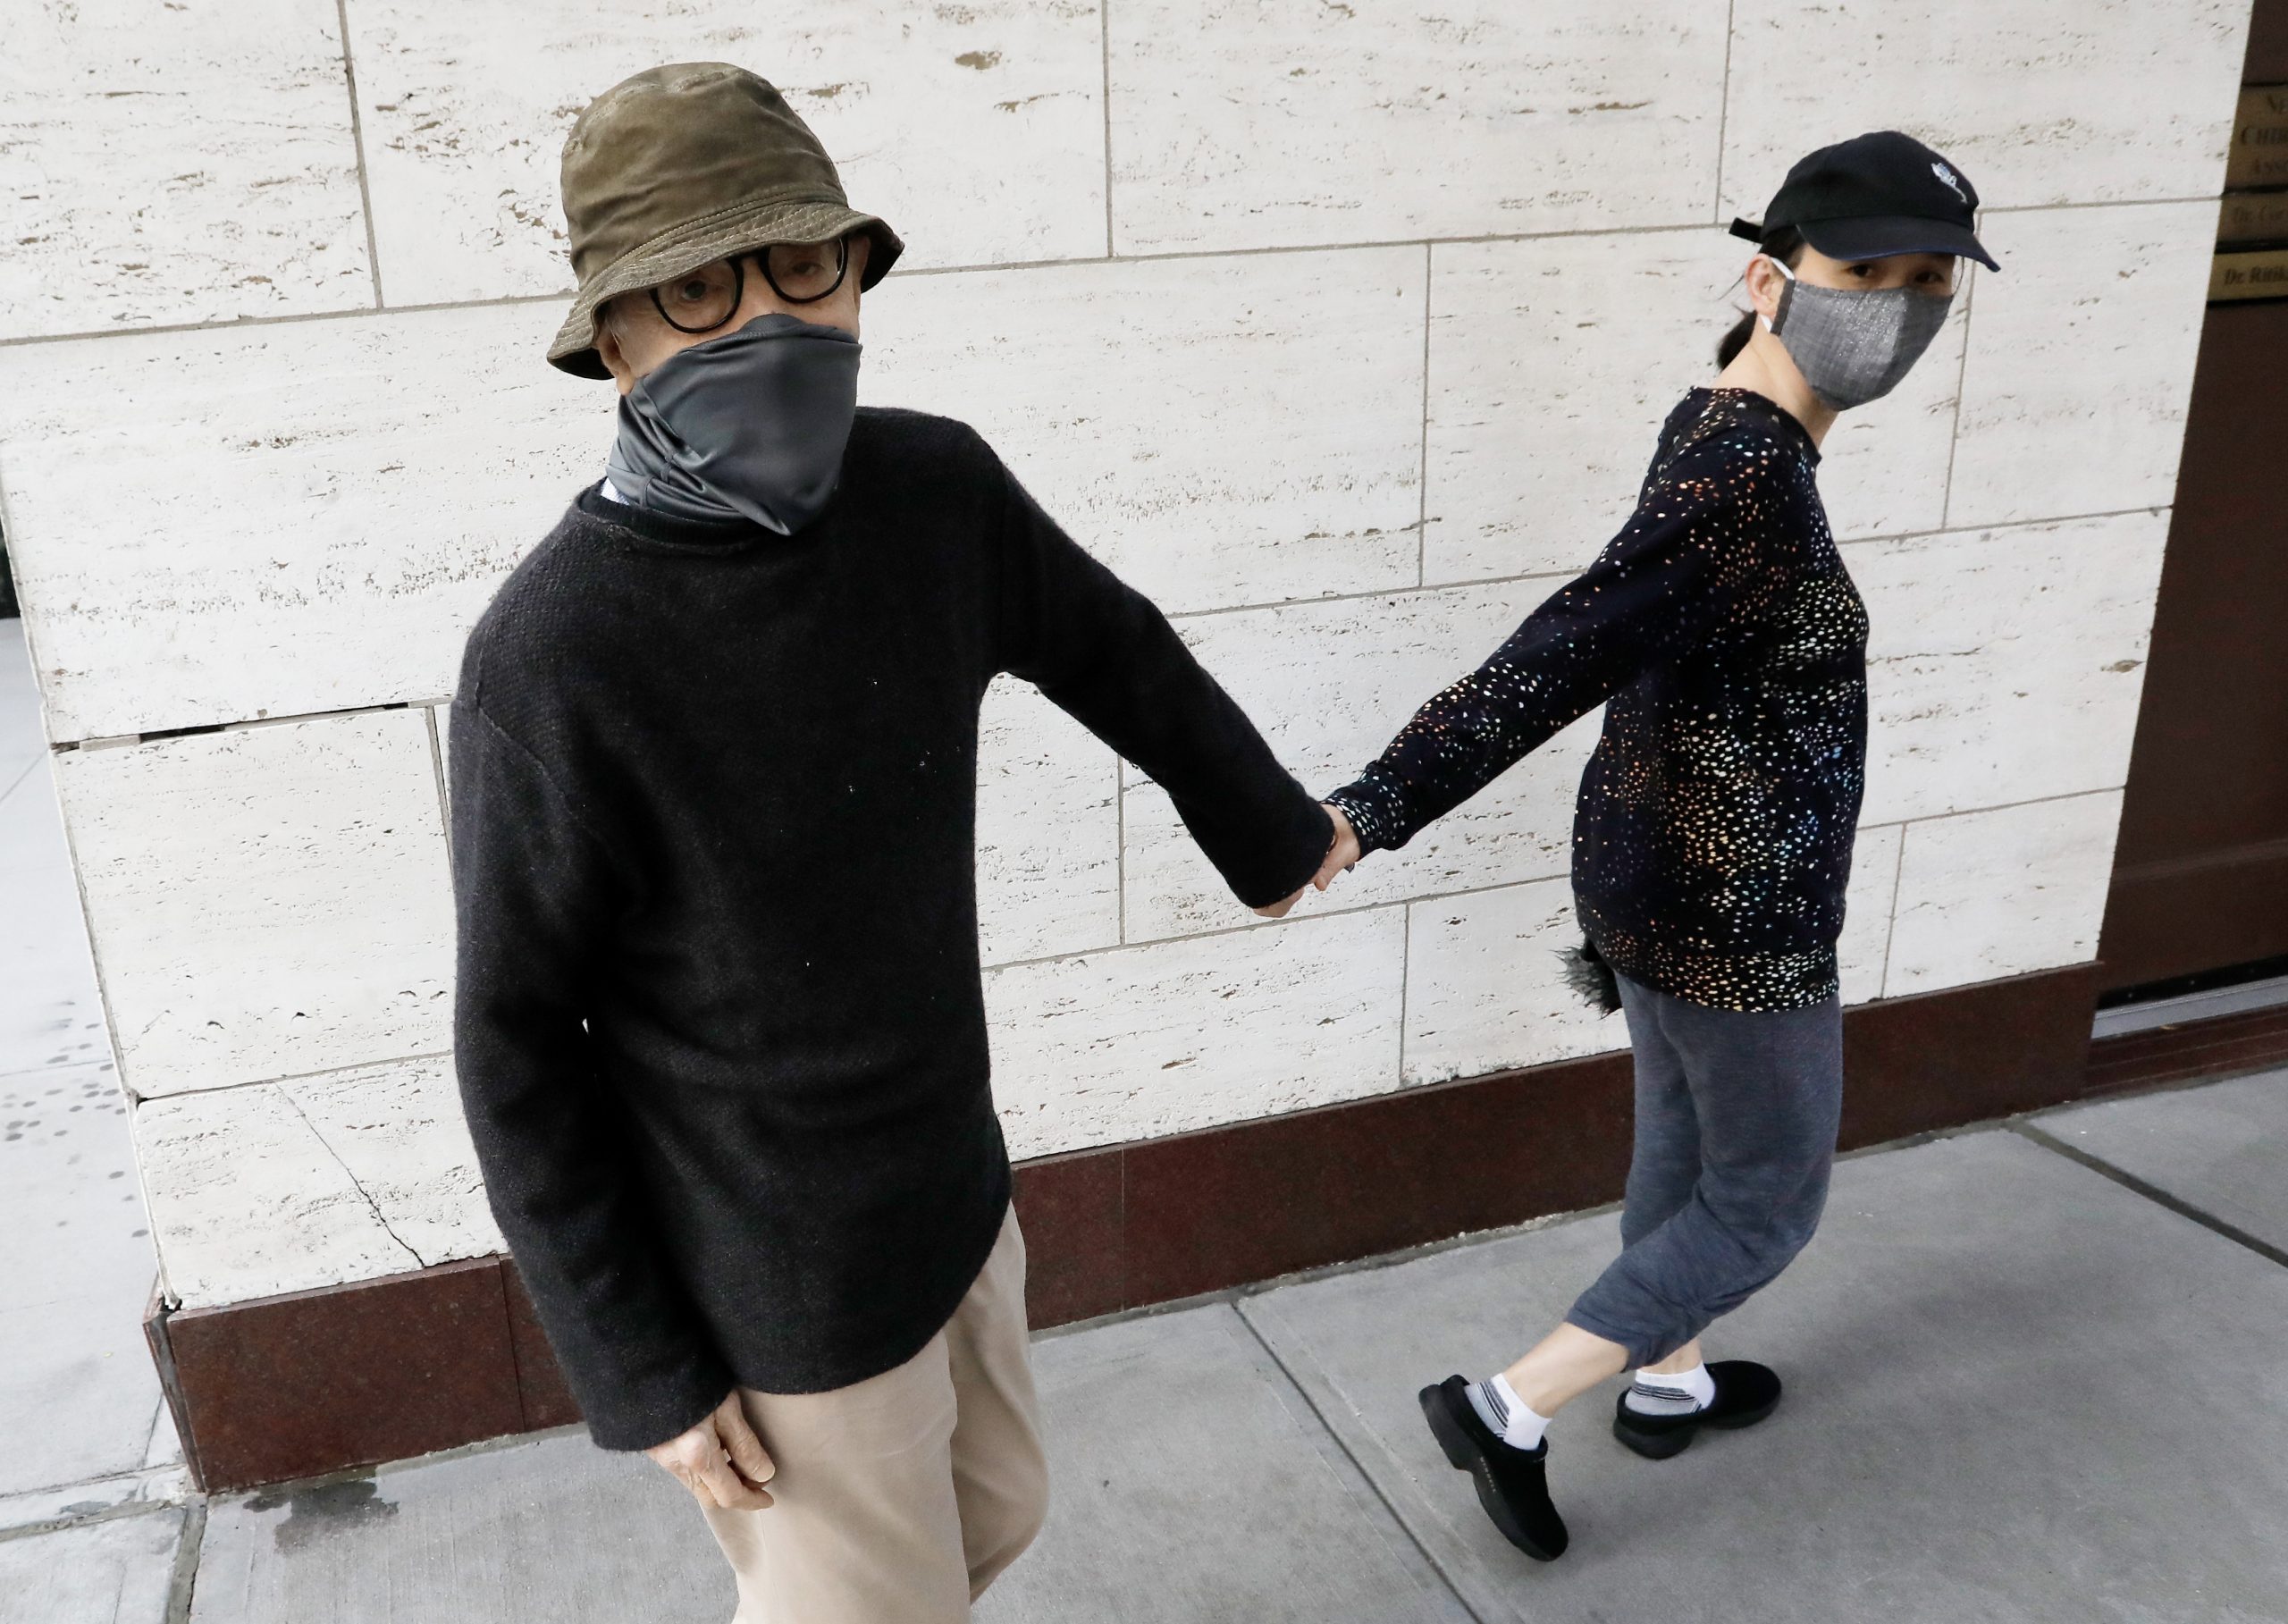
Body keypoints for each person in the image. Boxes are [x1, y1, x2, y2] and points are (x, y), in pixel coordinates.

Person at [447, 63, 1334, 1621]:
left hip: (950, 1181)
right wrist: (646, 1366)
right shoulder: (558, 654)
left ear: (856, 274)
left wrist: (1262, 830)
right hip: (777, 1268)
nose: (768, 324)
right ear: (616, 340)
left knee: (1001, 1507)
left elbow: (1112, 646)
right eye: (700, 289)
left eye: (805, 268)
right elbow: (518, 1043)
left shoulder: (933, 489)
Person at [1302, 131, 1998, 1561]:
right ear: (1768, 276)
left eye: (1931, 282)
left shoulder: (1716, 422)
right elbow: (1554, 654)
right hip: (1735, 914)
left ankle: (1666, 1373)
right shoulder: (1745, 475)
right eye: (1867, 271)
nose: (1903, 309)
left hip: (1650, 876)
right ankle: (1510, 1403)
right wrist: (1368, 807)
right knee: (1764, 1200)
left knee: (1682, 1153)